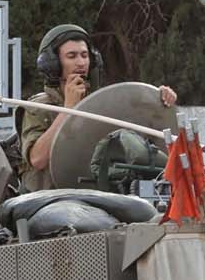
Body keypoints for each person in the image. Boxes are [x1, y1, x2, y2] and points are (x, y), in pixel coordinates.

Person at [17, 24, 177, 190]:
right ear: (53, 63)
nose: (81, 63)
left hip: (97, 194)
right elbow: (38, 159)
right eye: (71, 56)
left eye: (85, 55)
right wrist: (68, 109)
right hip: (51, 198)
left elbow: (134, 129)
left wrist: (158, 99)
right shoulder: (38, 107)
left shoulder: (99, 103)